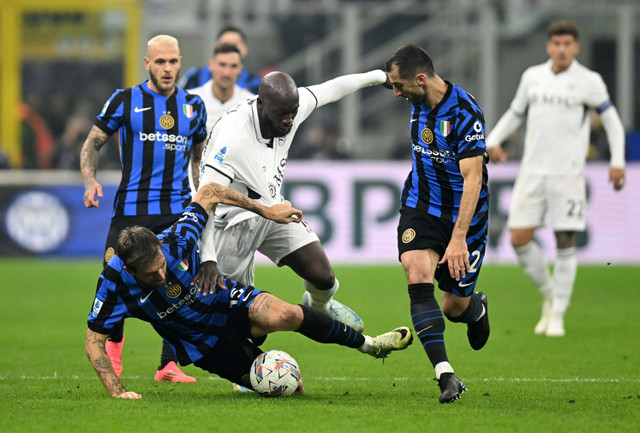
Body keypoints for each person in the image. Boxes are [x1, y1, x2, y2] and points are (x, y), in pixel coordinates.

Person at [85, 182, 413, 399]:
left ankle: (371, 346)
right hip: (205, 345)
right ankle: (252, 368)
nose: (161, 271)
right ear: (130, 270)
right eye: (152, 273)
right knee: (290, 389)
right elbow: (93, 341)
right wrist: (117, 390)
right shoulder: (114, 284)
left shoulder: (175, 239)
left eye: (161, 263)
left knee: (288, 313)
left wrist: (266, 210)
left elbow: (210, 191)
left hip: (226, 301)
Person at [194, 69, 391, 333]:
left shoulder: (288, 107)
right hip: (230, 225)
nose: (288, 120)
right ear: (261, 104)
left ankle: (318, 305)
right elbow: (205, 197)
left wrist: (379, 76)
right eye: (281, 114)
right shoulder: (234, 139)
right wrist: (208, 259)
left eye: (293, 112)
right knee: (243, 328)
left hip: (274, 211)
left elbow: (331, 87)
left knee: (324, 277)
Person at [80, 34, 208, 383]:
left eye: (173, 61)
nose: (168, 69)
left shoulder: (194, 106)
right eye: (161, 62)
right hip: (131, 213)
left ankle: (168, 364)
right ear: (147, 63)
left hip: (175, 212)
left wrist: (201, 197)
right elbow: (91, 144)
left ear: (180, 62)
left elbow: (199, 160)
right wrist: (90, 181)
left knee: (179, 285)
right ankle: (114, 357)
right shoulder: (124, 100)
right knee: (114, 277)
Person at [485, 20, 626, 337]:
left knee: (565, 240)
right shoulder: (532, 77)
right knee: (518, 237)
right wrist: (493, 140)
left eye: (568, 44)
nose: (562, 49)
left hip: (568, 175)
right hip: (532, 171)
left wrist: (617, 162)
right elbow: (515, 113)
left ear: (575, 47)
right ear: (549, 46)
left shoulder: (589, 81)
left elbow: (613, 122)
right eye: (557, 43)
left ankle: (559, 312)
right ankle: (549, 294)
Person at [384, 44, 491, 403]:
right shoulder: (415, 96)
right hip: (420, 206)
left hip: (465, 216)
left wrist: (459, 238)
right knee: (416, 273)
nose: (395, 93)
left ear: (419, 79)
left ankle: (476, 307)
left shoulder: (464, 113)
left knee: (453, 306)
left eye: (398, 86)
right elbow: (386, 81)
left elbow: (473, 180)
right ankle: (446, 375)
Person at [189, 43, 254, 134]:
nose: (226, 73)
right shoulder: (190, 100)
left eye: (233, 66)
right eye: (222, 65)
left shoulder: (250, 105)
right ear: (211, 65)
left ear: (241, 69)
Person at [180, 25, 262, 94]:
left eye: (234, 45)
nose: (229, 50)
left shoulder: (255, 84)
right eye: (225, 45)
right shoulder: (195, 77)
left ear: (245, 49)